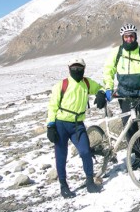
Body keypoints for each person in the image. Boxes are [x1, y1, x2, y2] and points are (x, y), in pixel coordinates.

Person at [102, 23, 140, 167]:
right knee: (129, 127)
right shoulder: (117, 53)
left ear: (135, 37)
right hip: (125, 96)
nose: (129, 39)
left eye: (131, 36)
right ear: (123, 38)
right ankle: (138, 156)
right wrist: (108, 88)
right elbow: (108, 70)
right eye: (126, 36)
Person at [46, 57, 106, 198]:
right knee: (61, 155)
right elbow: (53, 106)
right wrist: (50, 125)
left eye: (79, 67)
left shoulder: (86, 83)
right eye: (74, 67)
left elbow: (100, 88)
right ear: (69, 69)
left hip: (77, 125)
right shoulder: (62, 85)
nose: (77, 70)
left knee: (85, 152)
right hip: (61, 124)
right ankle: (63, 186)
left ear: (84, 69)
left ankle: (90, 182)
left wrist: (101, 93)